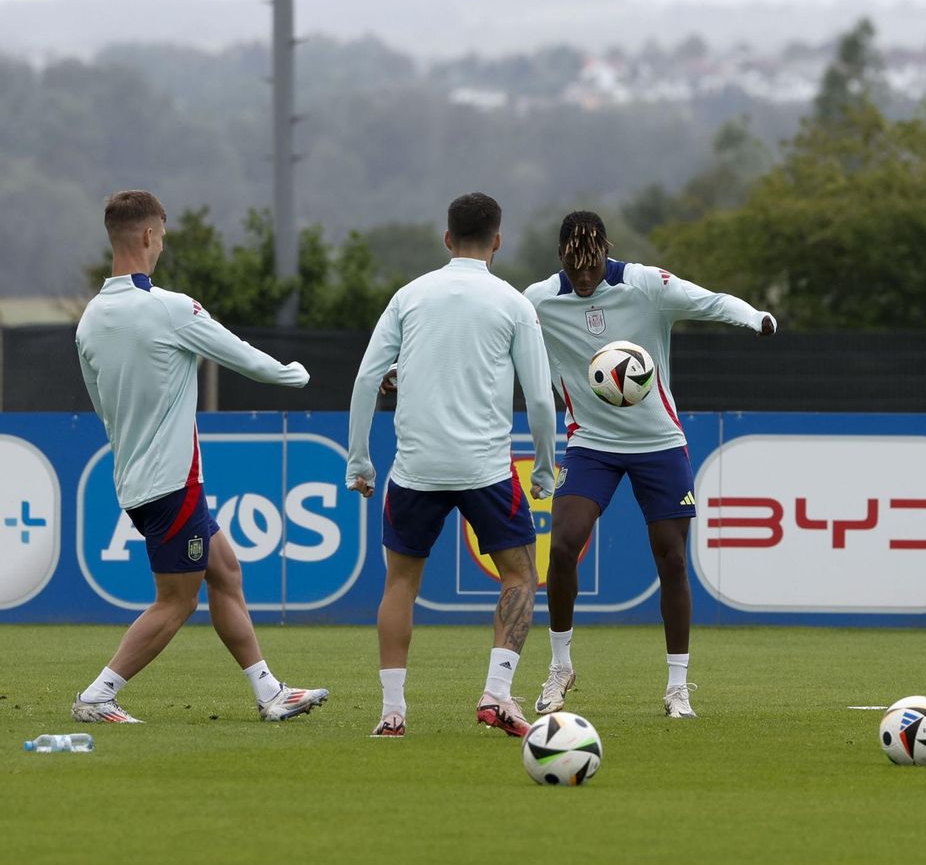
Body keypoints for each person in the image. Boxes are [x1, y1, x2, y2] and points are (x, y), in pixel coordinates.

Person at [73, 190, 326, 724]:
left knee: (226, 571)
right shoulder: (170, 308)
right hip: (172, 482)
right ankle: (97, 695)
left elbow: (102, 409)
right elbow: (247, 360)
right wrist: (298, 374)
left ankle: (270, 692)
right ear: (148, 235)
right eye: (162, 236)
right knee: (177, 600)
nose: (162, 245)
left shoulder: (90, 320)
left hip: (135, 481)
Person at [525, 211, 775, 718]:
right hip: (591, 442)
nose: (585, 277)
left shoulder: (646, 285)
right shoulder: (538, 301)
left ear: (606, 252)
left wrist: (755, 318)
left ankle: (677, 687)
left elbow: (711, 301)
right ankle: (559, 667)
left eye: (592, 266)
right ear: (560, 260)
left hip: (658, 442)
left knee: (672, 558)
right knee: (564, 545)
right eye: (575, 269)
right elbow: (486, 339)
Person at [347, 192, 558, 739]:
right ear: (497, 241)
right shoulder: (513, 303)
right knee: (520, 575)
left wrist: (360, 459)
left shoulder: (409, 296)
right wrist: (544, 465)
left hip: (415, 469)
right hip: (485, 470)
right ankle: (497, 694)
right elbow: (539, 398)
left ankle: (392, 712)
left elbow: (368, 378)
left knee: (400, 584)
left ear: (446, 238)